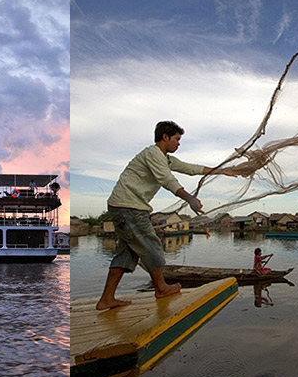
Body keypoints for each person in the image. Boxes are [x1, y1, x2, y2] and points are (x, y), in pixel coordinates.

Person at [96, 121, 237, 310]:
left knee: (127, 253)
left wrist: (222, 171)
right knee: (151, 244)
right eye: (177, 139)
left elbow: (191, 168)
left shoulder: (166, 159)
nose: (179, 143)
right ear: (165, 137)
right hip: (128, 207)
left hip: (125, 206)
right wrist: (190, 199)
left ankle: (106, 299)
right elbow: (166, 179)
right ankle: (161, 288)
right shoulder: (153, 154)